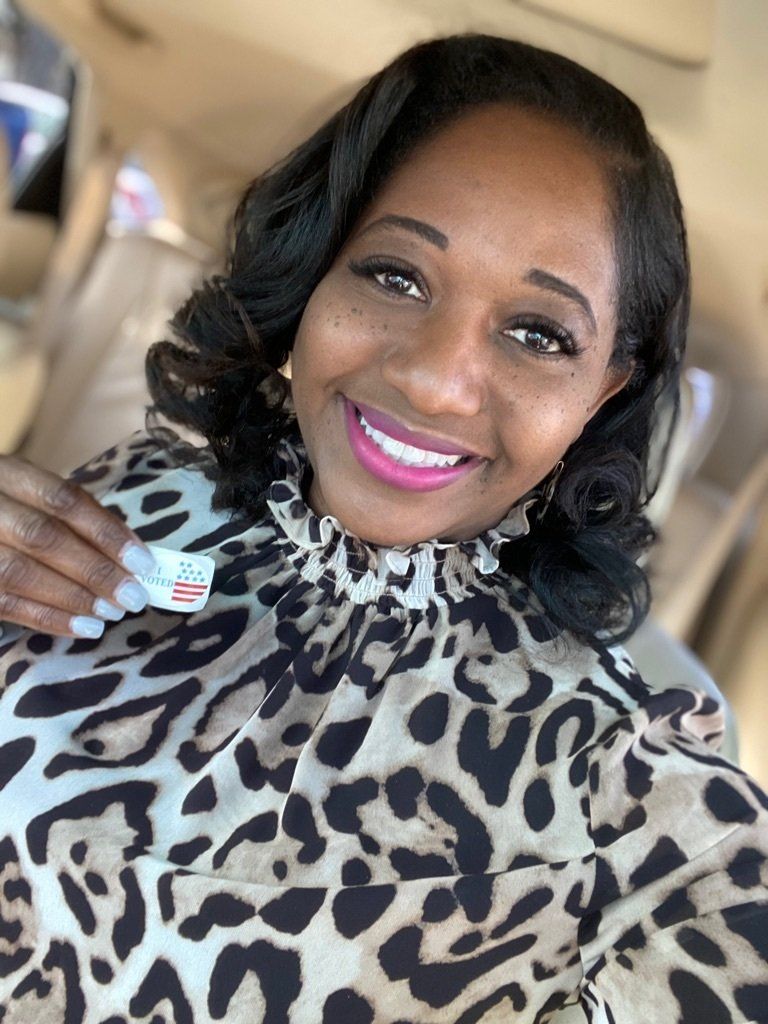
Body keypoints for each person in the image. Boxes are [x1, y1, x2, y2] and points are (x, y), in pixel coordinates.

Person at [0, 33, 766, 1024]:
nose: (434, 379)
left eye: (539, 334)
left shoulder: (627, 776)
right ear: (318, 274)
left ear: (601, 393)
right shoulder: (129, 498)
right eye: (396, 275)